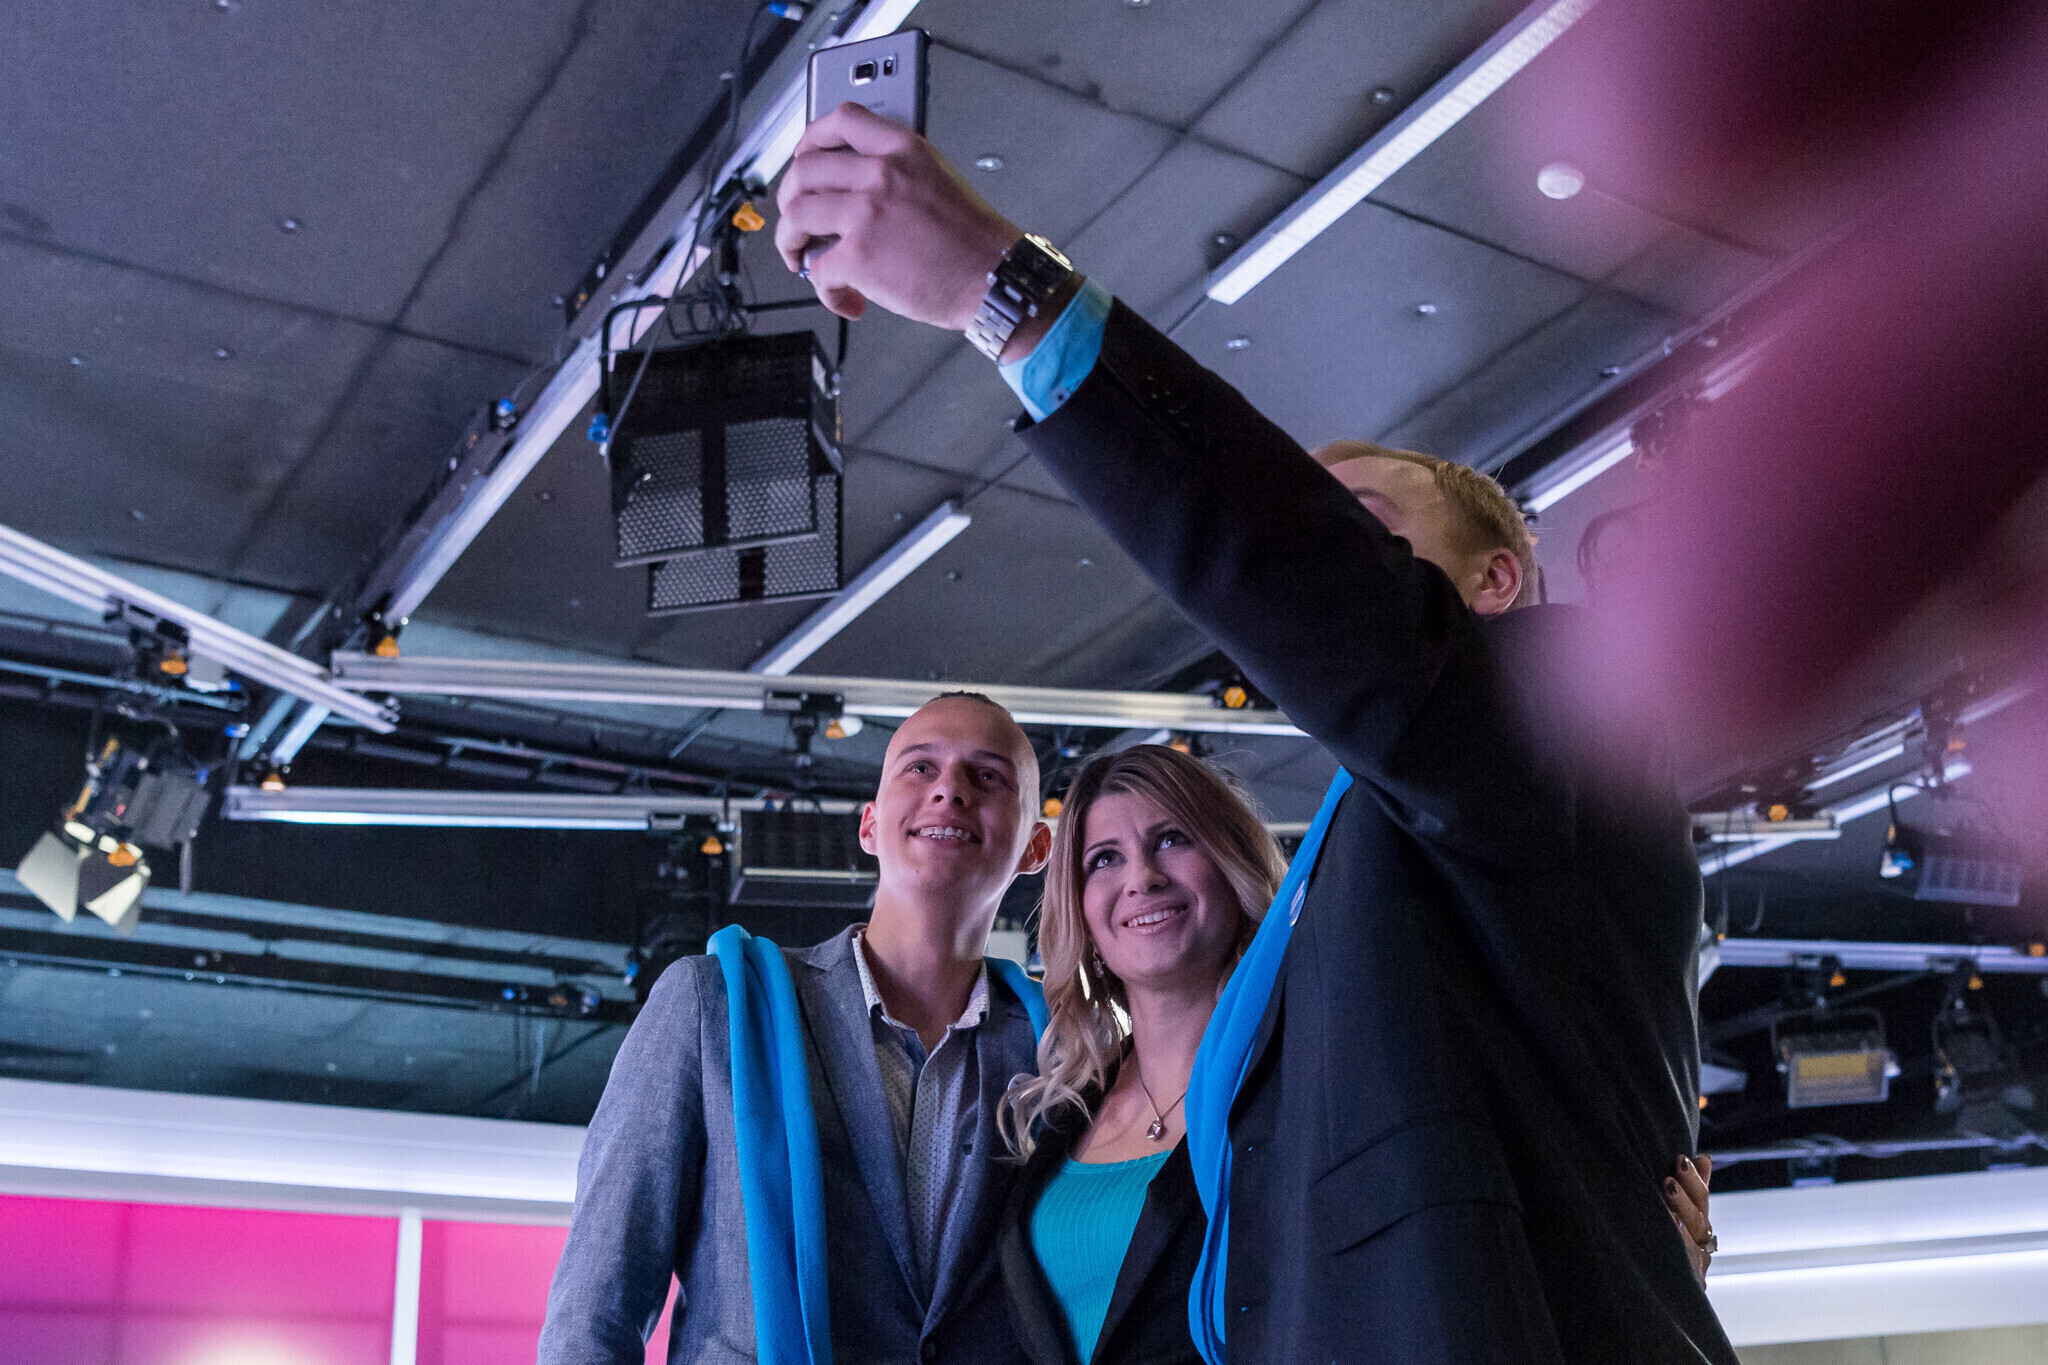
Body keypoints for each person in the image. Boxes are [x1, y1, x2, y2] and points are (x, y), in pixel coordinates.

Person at [775, 104, 1734, 1362]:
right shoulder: (1339, 905)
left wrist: (1000, 295)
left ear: (1493, 581)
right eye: (1104, 859)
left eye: (1366, 536)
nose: (1135, 878)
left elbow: (1328, 599)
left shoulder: (1554, 727)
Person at [996, 746, 1717, 1365]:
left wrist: (1656, 1269)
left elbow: (1482, 1221)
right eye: (1104, 859)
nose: (1142, 877)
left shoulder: (1330, 1080)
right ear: (1079, 908)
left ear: (1230, 862)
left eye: (1172, 839)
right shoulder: (1058, 1110)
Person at [539, 691, 1053, 1364]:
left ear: (1036, 846)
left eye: (986, 776)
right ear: (869, 825)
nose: (949, 790)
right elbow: (593, 1312)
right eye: (920, 767)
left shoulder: (1060, 1053)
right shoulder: (716, 1005)